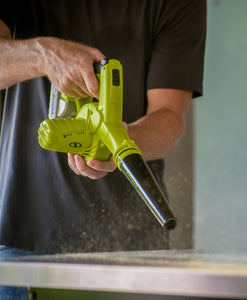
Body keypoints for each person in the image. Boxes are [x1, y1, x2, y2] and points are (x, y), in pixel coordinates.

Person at [0, 0, 206, 298]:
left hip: (133, 249)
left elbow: (170, 121)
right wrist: (44, 55)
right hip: (23, 236)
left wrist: (120, 140)